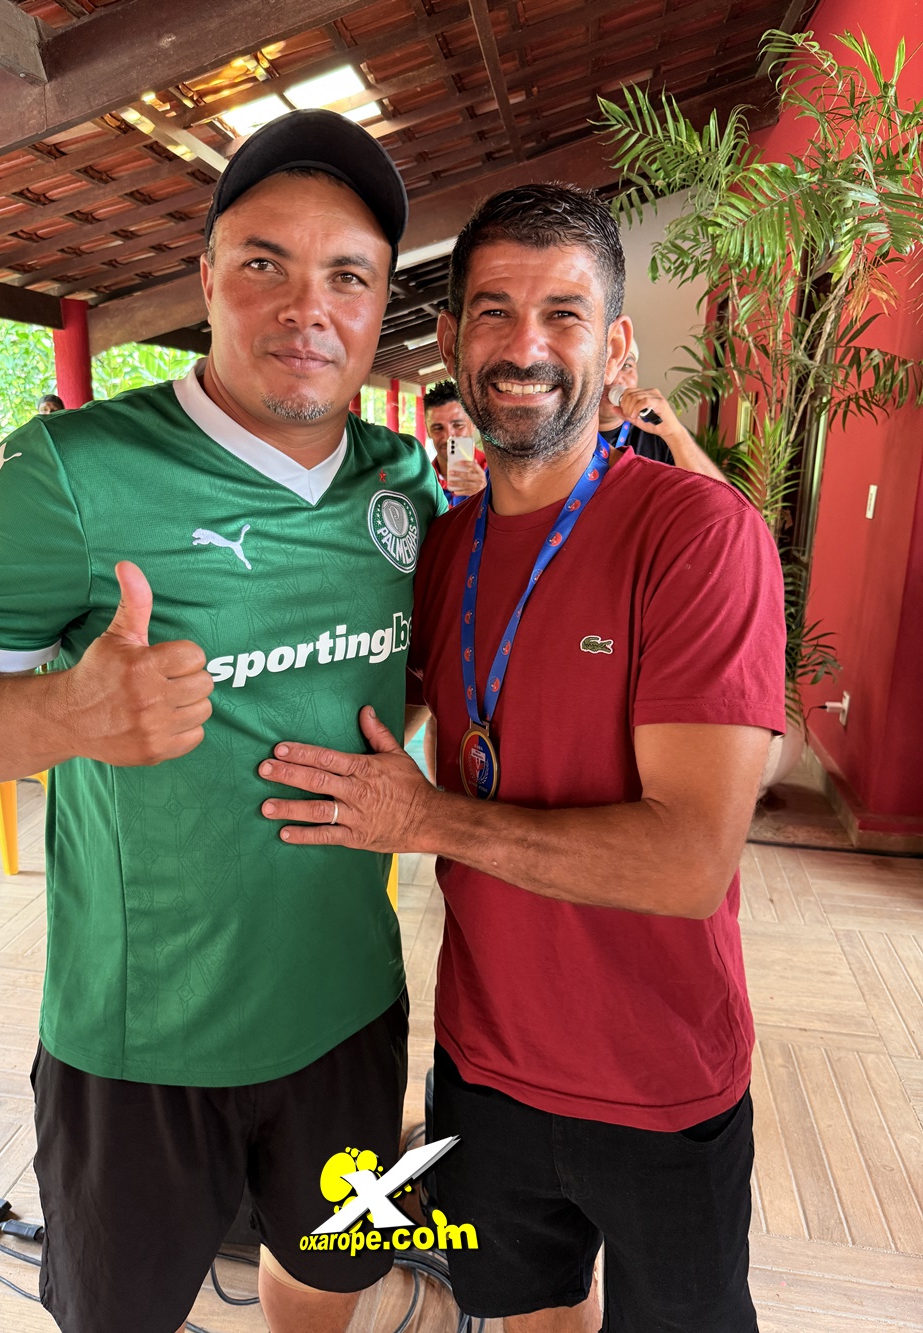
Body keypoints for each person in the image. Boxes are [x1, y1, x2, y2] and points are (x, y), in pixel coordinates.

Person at [0, 109, 444, 1333]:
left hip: (346, 1007)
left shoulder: (405, 485)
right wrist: (67, 711)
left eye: (347, 276)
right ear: (204, 277)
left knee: (328, 1277)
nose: (307, 308)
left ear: (380, 306)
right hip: (136, 1039)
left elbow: (407, 674)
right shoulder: (68, 469)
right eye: (265, 262)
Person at [258, 184, 786, 1332]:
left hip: (659, 1083)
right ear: (451, 341)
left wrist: (428, 819)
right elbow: (325, 705)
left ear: (618, 345)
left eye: (564, 313)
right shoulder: (439, 549)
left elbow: (686, 862)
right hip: (484, 1064)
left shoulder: (699, 537)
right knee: (529, 1313)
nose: (526, 346)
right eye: (494, 311)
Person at [598, 335, 726, 478]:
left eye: (626, 366)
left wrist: (675, 434)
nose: (615, 378)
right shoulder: (575, 434)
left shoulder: (659, 434)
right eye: (603, 366)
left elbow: (715, 492)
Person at [423, 379, 487, 505]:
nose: (448, 437)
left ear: (473, 424)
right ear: (428, 430)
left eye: (458, 425)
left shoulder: (498, 475)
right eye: (438, 428)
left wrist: (487, 497)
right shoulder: (421, 481)